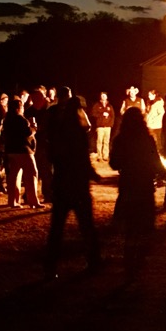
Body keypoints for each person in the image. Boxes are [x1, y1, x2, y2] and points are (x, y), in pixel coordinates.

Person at [45, 95, 102, 278]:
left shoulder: (59, 131)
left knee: (57, 229)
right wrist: (92, 174)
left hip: (62, 186)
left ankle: (50, 266)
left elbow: (53, 156)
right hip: (77, 187)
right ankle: (94, 261)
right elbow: (83, 160)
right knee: (87, 226)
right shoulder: (78, 133)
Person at [109, 106, 162, 281]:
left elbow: (114, 163)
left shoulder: (120, 139)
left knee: (131, 224)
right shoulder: (147, 139)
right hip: (144, 184)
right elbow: (155, 160)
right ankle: (138, 258)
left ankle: (130, 256)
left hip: (129, 184)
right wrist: (161, 172)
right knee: (144, 223)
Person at [2, 98, 41, 208]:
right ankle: (33, 200)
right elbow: (28, 133)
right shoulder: (21, 119)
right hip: (23, 151)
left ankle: (12, 201)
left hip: (11, 151)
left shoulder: (7, 119)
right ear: (19, 108)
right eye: (22, 106)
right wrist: (34, 128)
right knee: (32, 174)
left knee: (14, 177)